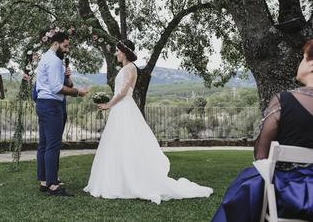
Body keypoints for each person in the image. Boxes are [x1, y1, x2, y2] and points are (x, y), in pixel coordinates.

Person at [83, 40, 213, 203]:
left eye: (117, 51)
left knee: (126, 142)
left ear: (124, 52)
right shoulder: (124, 68)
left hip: (124, 108)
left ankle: (129, 181)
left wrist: (108, 104)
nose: (115, 53)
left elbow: (123, 92)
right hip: (120, 109)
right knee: (117, 143)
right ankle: (118, 179)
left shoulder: (131, 68)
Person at [212, 39, 313, 222]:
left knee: (249, 181)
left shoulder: (284, 100)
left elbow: (260, 155)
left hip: (289, 192)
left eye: (303, 58)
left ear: (311, 64)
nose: (300, 63)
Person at [35, 31, 88, 196]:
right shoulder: (54, 60)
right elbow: (57, 88)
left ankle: (44, 181)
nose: (67, 50)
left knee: (44, 144)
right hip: (51, 106)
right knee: (53, 145)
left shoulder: (45, 57)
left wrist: (67, 78)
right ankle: (52, 185)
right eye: (65, 46)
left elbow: (54, 83)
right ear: (56, 43)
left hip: (43, 104)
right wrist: (77, 91)